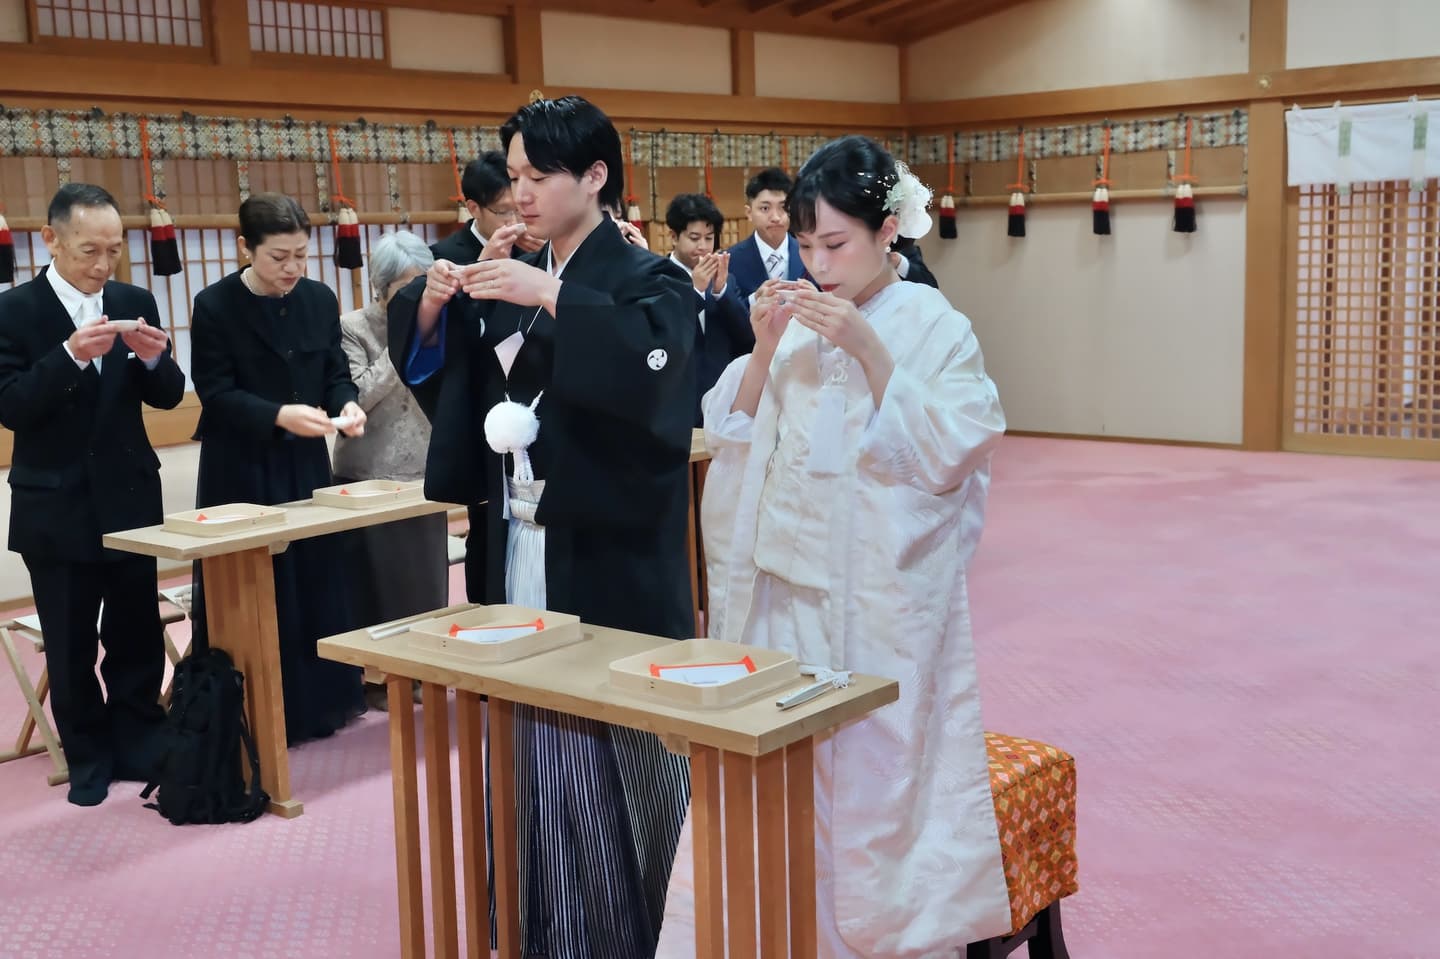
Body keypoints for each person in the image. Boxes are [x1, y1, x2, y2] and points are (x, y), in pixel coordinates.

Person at [657, 136, 1013, 955]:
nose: (817, 263)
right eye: (807, 245)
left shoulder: (931, 321)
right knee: (772, 778)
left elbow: (955, 446)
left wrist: (868, 346)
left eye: (835, 243)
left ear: (888, 230)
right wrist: (765, 345)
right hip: (782, 590)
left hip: (876, 599)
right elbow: (734, 436)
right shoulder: (801, 315)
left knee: (866, 780)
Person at [391, 94, 693, 959]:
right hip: (518, 534)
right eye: (513, 176)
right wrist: (436, 307)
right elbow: (461, 392)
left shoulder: (648, 276)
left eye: (537, 176)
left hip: (601, 548)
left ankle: (632, 929)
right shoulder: (510, 270)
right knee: (526, 732)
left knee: (618, 740)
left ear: (595, 176)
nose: (519, 193)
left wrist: (555, 295)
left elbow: (662, 381)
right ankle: (543, 921)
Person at [0, 183, 186, 806]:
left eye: (114, 249)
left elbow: (164, 396)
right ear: (50, 240)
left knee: (135, 630)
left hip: (129, 497)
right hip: (55, 504)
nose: (103, 266)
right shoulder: (15, 310)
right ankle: (88, 754)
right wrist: (69, 357)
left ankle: (139, 738)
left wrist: (158, 362)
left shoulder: (134, 299)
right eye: (88, 251)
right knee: (72, 639)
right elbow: (11, 406)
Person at [188, 192, 369, 745]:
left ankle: (321, 703)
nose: (291, 269)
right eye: (277, 257)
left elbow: (335, 371)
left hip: (305, 459)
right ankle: (256, 712)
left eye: (300, 256)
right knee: (254, 586)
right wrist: (277, 415)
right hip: (240, 465)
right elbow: (215, 393)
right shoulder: (215, 304)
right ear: (245, 248)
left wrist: (347, 404)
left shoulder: (317, 298)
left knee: (315, 577)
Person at [331, 231, 446, 640]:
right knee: (371, 587)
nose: (416, 296)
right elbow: (356, 394)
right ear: (381, 288)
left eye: (423, 284)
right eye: (405, 288)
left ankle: (424, 673)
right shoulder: (351, 327)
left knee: (424, 585)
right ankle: (376, 678)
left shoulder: (438, 320)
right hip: (366, 474)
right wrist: (403, 338)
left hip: (423, 471)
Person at [664, 192, 752, 424]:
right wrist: (693, 291)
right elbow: (661, 333)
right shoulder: (656, 277)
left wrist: (721, 292)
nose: (702, 247)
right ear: (674, 236)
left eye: (709, 238)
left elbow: (746, 338)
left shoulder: (726, 278)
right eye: (694, 238)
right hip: (676, 398)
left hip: (723, 396)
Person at [725, 166, 810, 303]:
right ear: (749, 213)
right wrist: (755, 300)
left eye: (783, 207)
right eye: (765, 208)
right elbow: (728, 314)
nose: (776, 217)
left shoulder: (809, 252)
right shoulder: (731, 260)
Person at [431, 151, 519, 265]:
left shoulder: (529, 247)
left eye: (519, 209)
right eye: (503, 212)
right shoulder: (444, 255)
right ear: (474, 209)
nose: (514, 222)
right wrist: (483, 262)